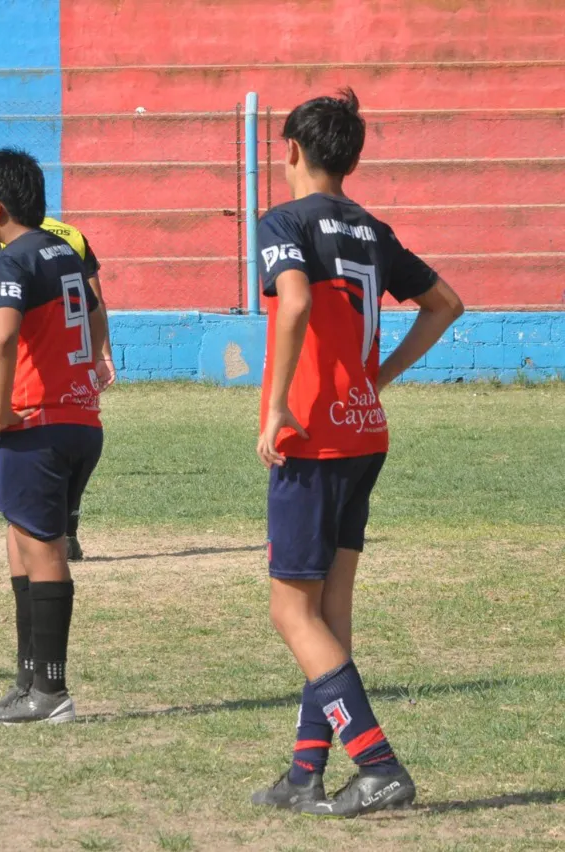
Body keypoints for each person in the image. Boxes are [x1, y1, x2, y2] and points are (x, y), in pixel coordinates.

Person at [250, 89, 463, 816]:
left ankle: (377, 766)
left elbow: (298, 301)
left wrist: (276, 404)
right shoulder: (373, 230)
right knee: (327, 613)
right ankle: (306, 770)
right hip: (364, 430)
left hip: (313, 434)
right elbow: (446, 302)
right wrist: (378, 376)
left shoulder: (283, 221)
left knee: (291, 612)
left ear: (291, 152)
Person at [0, 149, 109, 726]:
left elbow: (1, 338)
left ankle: (51, 693)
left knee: (45, 549)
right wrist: (96, 361)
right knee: (23, 538)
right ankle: (28, 677)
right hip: (79, 419)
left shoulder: (10, 260)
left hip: (37, 422)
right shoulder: (64, 251)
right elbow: (96, 311)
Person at [0, 215, 115, 560]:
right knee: (72, 459)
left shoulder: (4, 246)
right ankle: (70, 532)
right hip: (78, 393)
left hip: (32, 395)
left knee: (31, 526)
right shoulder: (70, 241)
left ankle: (47, 546)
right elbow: (94, 300)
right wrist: (101, 355)